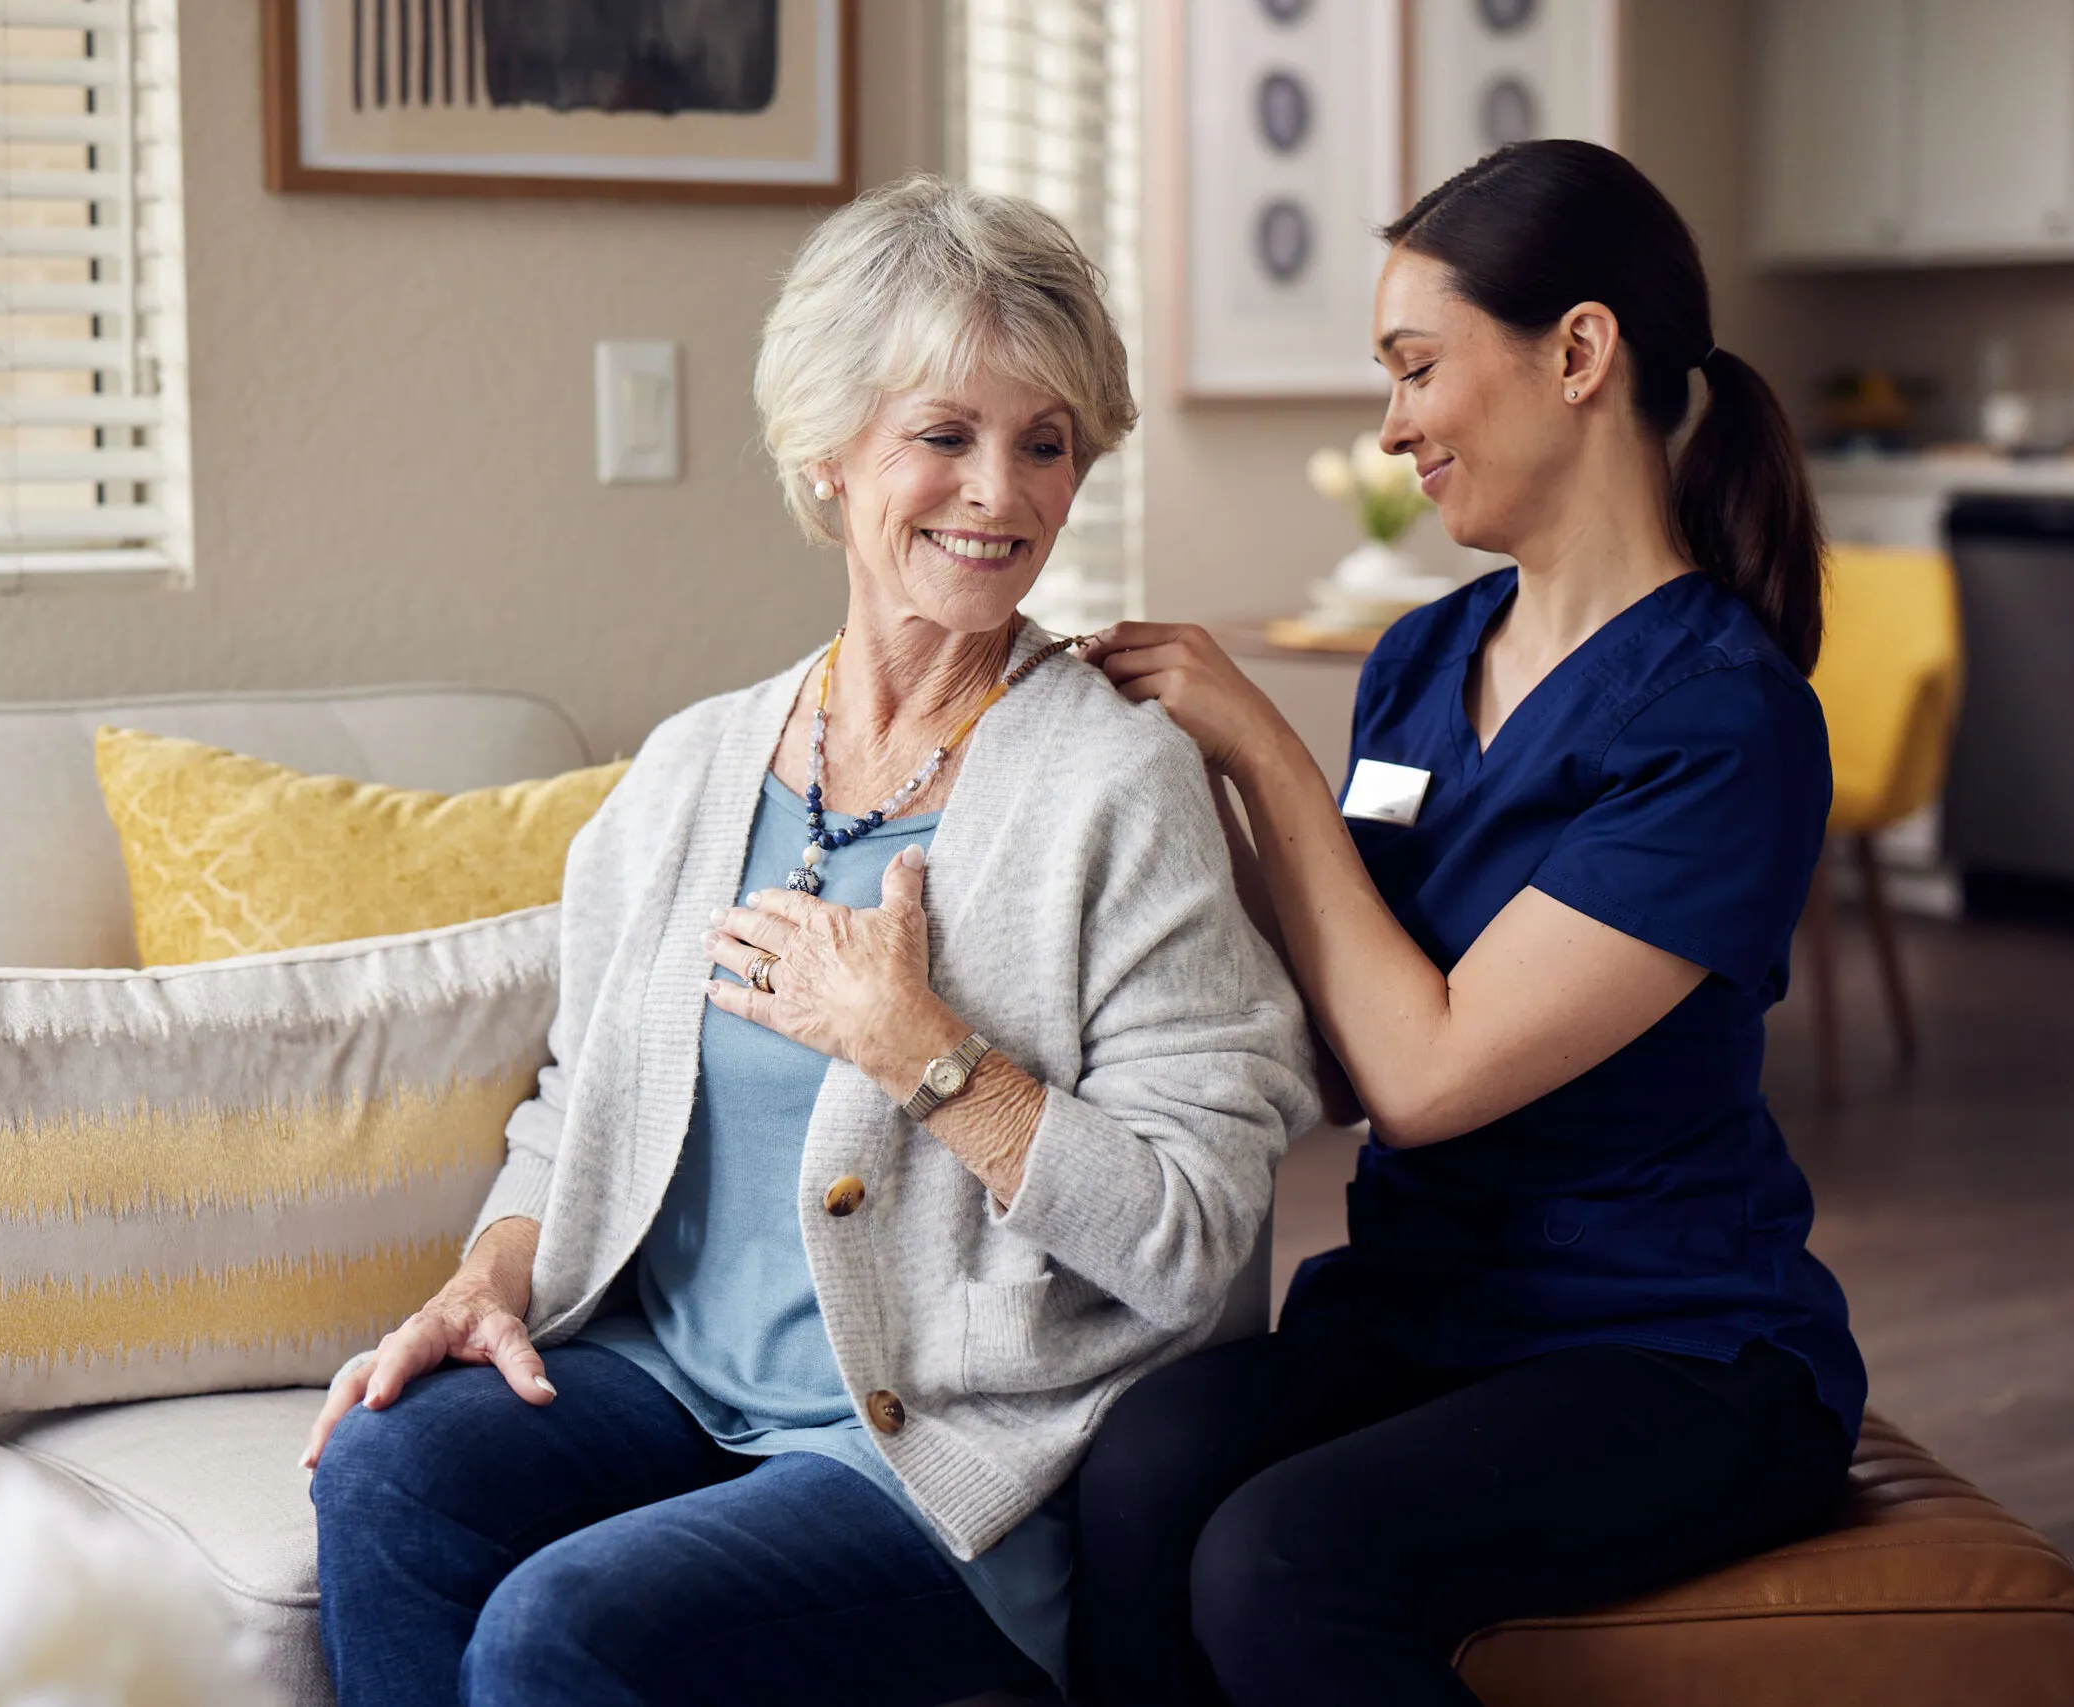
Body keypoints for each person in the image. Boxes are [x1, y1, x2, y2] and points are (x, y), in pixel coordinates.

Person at [300, 174, 1318, 1707]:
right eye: (946, 435)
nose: (1003, 494)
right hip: (675, 1382)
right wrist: (492, 1274)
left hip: (949, 1448)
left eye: (1046, 444)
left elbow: (1193, 1230)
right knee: (388, 1472)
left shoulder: (1119, 782)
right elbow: (582, 1101)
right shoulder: (692, 768)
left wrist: (929, 1056)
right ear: (827, 455)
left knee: (560, 1633)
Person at [1072, 139, 1863, 1706]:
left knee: (1282, 1556)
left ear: (1579, 352)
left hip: (1670, 1345)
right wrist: (1148, 783)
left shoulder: (1723, 722)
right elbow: (1347, 1038)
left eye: (1418, 368)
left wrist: (1260, 748)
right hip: (1428, 1301)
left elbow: (1426, 1075)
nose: (1392, 425)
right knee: (1145, 1463)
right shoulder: (1426, 659)